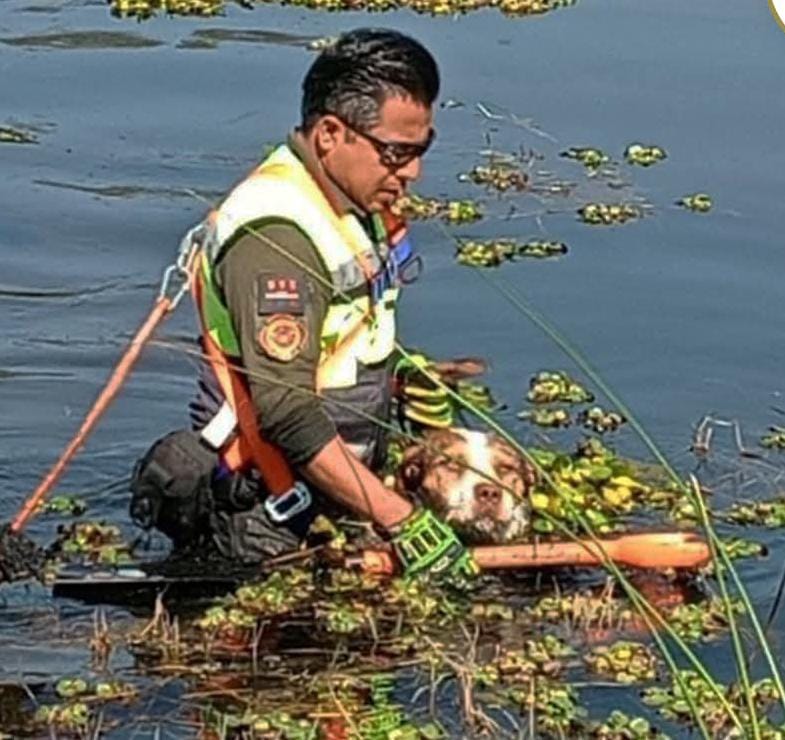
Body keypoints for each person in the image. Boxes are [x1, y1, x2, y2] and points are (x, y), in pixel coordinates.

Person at [130, 28, 476, 582]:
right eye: (397, 153)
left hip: (338, 495)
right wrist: (403, 520)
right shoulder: (278, 240)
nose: (412, 172)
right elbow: (287, 412)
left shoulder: (349, 202)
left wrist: (412, 378)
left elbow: (343, 340)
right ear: (330, 134)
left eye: (422, 150)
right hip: (266, 518)